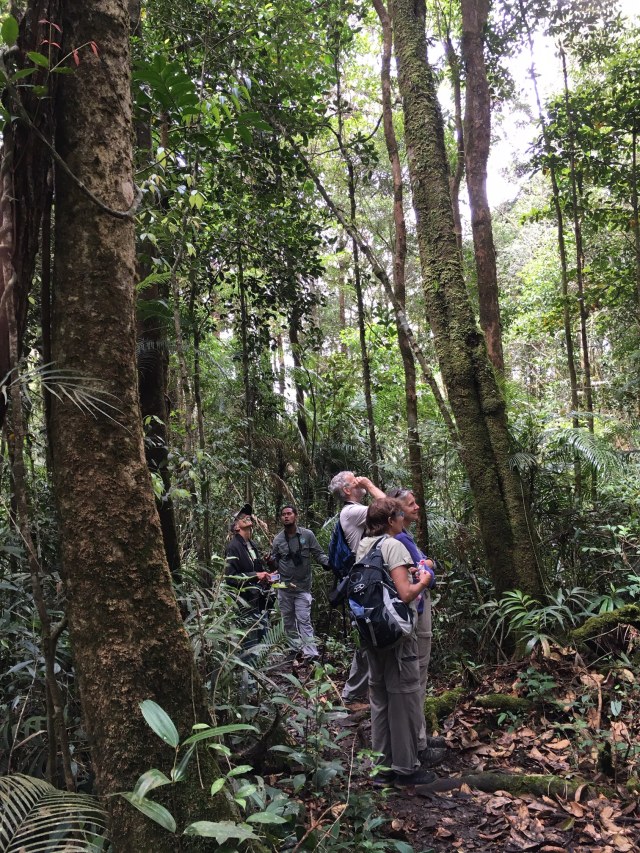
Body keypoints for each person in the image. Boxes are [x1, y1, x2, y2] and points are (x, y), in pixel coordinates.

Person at [356, 497, 436, 786]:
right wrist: (423, 581)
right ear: (391, 520)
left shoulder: (364, 545)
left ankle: (381, 767)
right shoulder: (393, 545)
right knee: (403, 697)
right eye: (399, 515)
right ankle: (405, 768)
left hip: (371, 633)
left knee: (379, 698)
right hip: (397, 634)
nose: (403, 519)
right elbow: (404, 594)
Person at [387, 487, 447, 766]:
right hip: (415, 613)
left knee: (417, 677)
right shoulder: (399, 538)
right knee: (417, 675)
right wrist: (428, 569)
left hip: (415, 612)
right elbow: (428, 576)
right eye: (409, 504)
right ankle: (418, 743)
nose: (416, 507)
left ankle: (420, 735)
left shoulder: (404, 536)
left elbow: (425, 566)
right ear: (396, 511)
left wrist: (427, 565)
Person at [328, 470, 385, 711]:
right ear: (348, 490)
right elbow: (389, 509)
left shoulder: (354, 512)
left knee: (369, 638)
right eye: (355, 479)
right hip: (363, 586)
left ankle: (359, 693)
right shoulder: (352, 512)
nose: (359, 479)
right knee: (367, 639)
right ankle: (351, 696)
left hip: (367, 583)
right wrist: (370, 484)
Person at [269, 504, 330, 661]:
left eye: (289, 513)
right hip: (284, 588)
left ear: (296, 516)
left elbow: (318, 553)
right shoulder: (278, 540)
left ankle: (311, 653)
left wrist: (329, 563)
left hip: (303, 587)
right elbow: (275, 563)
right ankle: (293, 651)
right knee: (288, 621)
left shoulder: (307, 535)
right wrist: (269, 561)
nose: (286, 516)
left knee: (304, 619)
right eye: (283, 514)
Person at [224, 504, 273, 649]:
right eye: (241, 517)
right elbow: (231, 578)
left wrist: (267, 575)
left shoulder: (252, 545)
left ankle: (260, 670)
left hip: (260, 600)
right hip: (246, 603)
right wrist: (255, 575)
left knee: (263, 639)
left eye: (248, 515)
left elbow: (257, 570)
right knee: (250, 642)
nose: (247, 517)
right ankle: (249, 671)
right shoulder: (233, 547)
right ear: (235, 527)